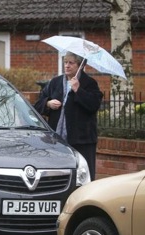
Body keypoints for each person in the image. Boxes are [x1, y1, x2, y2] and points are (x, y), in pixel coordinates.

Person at [34, 51, 103, 181]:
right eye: (65, 62)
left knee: (82, 174)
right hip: (56, 139)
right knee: (57, 173)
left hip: (82, 139)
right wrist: (48, 103)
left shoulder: (89, 83)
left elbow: (94, 105)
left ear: (81, 66)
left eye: (71, 63)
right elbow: (37, 105)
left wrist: (78, 90)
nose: (67, 66)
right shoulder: (55, 82)